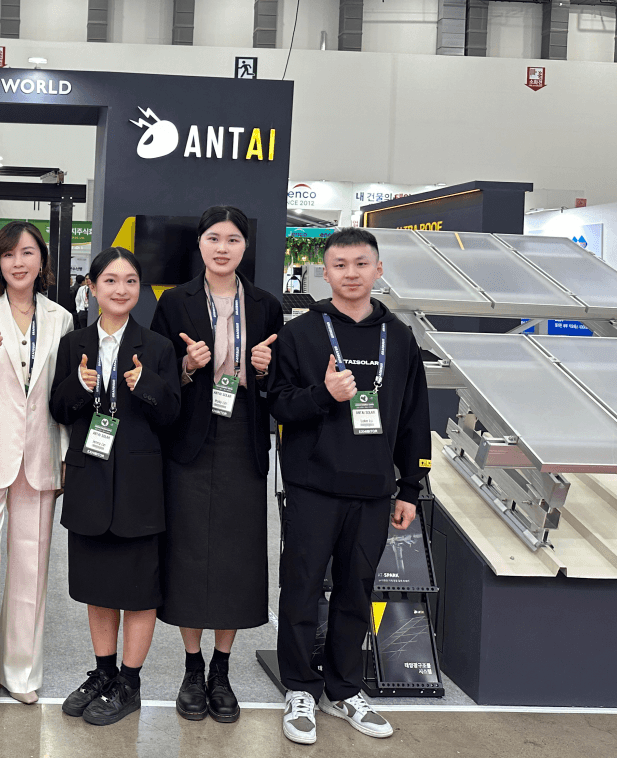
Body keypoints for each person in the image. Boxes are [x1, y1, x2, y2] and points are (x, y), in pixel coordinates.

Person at [268, 227, 431, 746]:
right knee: (301, 588)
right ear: (326, 272)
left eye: (361, 264)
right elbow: (279, 404)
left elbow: (414, 417)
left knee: (356, 591)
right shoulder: (301, 333)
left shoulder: (400, 338)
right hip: (312, 485)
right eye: (340, 265)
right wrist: (324, 393)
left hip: (374, 489)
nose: (351, 273)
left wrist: (410, 487)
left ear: (378, 270)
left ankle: (344, 689)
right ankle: (299, 688)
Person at [149, 206, 283, 723]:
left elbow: (281, 385)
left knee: (236, 556)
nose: (222, 248)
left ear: (245, 246)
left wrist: (265, 372)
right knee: (187, 553)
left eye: (232, 239)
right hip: (189, 439)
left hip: (243, 436)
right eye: (213, 238)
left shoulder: (266, 305)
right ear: (200, 244)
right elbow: (158, 375)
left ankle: (221, 670)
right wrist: (186, 366)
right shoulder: (174, 302)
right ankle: (191, 667)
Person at [50, 247, 180, 726]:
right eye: (109, 280)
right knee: (98, 587)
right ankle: (103, 674)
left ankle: (129, 682)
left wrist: (147, 385)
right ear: (91, 287)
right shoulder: (74, 343)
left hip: (139, 487)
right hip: (90, 479)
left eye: (129, 281)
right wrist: (80, 386)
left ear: (140, 289)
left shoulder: (158, 346)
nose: (120, 289)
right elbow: (58, 409)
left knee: (139, 590)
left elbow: (172, 414)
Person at [0, 221, 75, 729]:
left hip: (39, 455)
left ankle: (21, 673)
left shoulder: (62, 318)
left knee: (31, 569)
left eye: (27, 253)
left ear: (42, 260)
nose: (18, 262)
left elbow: (61, 395)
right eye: (8, 254)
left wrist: (64, 454)